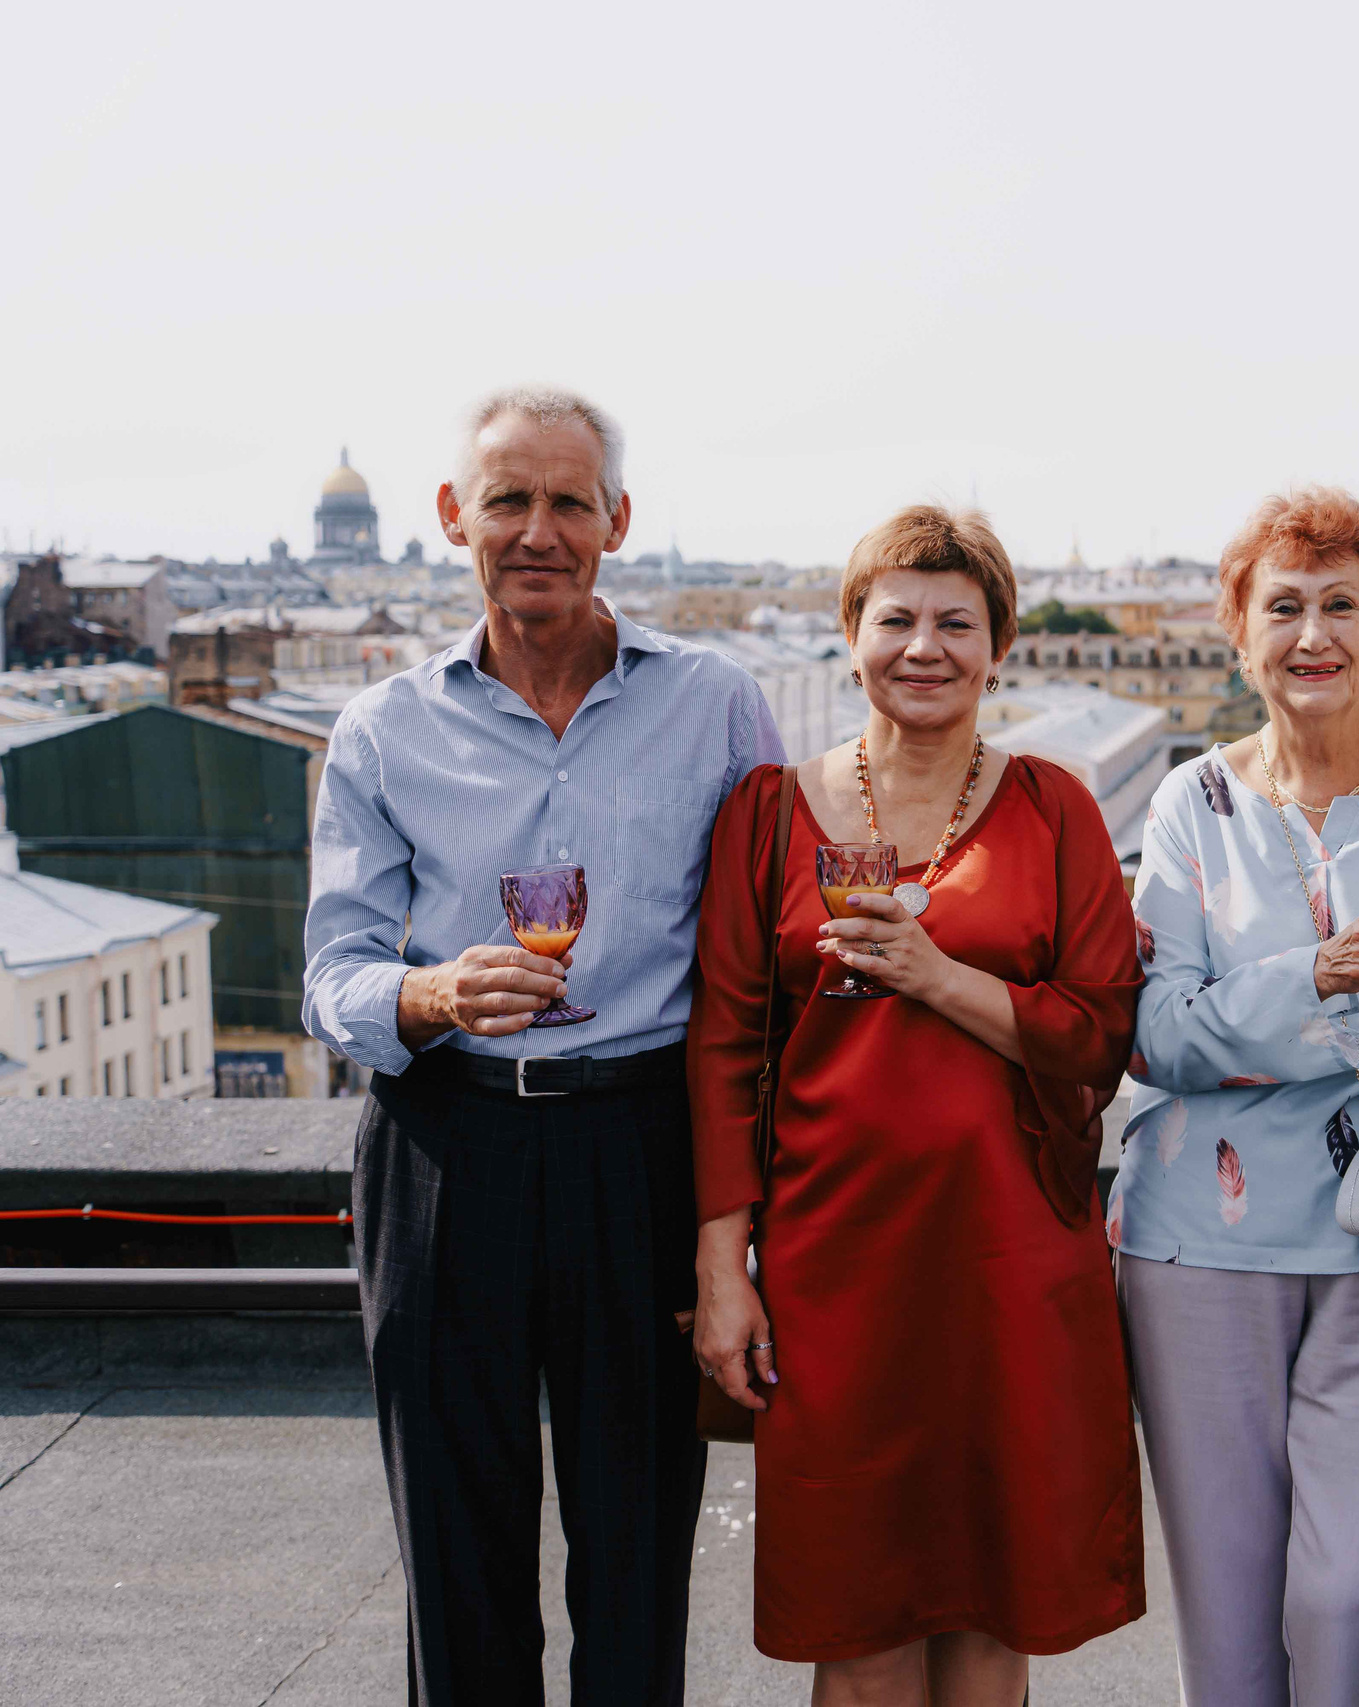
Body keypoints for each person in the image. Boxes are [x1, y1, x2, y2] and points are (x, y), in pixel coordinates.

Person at [302, 387, 783, 1705]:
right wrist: (434, 991)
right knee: (456, 1566)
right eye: (508, 498)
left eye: (569, 500)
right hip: (445, 1146)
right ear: (454, 515)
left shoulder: (720, 704)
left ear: (616, 521)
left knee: (636, 1556)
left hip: (642, 1146)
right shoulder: (383, 727)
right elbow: (332, 971)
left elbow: (765, 953)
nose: (537, 529)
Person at [688, 504, 1145, 1706]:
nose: (924, 647)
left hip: (1008, 1259)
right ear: (851, 636)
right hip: (832, 1266)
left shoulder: (1056, 807)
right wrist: (724, 1267)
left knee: (994, 1615)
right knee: (858, 1615)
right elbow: (725, 1048)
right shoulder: (767, 810)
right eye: (896, 618)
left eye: (958, 621)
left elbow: (1103, 1030)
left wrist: (941, 979)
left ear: (1000, 646)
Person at [1113, 486, 1359, 1707]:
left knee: (1353, 1595)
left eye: (1343, 605)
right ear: (1240, 633)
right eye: (1282, 607)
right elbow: (1157, 1035)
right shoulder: (1190, 802)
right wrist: (1314, 978)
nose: (1313, 634)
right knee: (1227, 1614)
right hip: (1198, 1254)